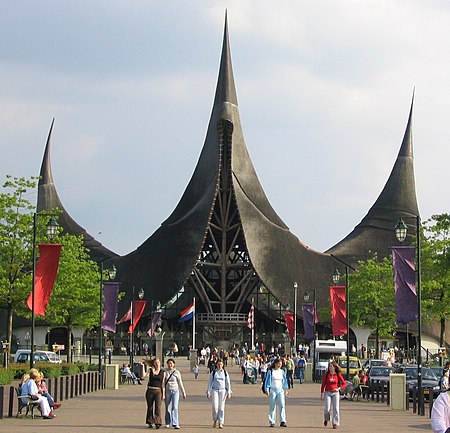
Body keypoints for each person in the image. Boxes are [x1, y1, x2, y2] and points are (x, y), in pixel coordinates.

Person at [262, 357, 288, 428]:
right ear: (275, 364)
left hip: (280, 390)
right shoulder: (271, 371)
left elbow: (285, 381)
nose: (280, 365)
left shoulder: (282, 371)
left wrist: (286, 390)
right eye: (278, 364)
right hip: (273, 389)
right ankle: (272, 421)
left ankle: (283, 421)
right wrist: (267, 389)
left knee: (282, 404)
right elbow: (267, 380)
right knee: (272, 406)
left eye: (281, 364)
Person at [321, 361, 347, 429]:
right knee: (327, 408)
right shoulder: (326, 375)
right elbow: (323, 384)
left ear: (335, 367)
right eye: (329, 366)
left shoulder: (338, 374)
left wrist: (338, 388)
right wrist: (322, 393)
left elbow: (344, 384)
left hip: (335, 393)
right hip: (327, 392)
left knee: (336, 409)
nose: (330, 368)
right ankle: (327, 419)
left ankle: (335, 423)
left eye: (331, 366)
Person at [206, 359, 232, 429]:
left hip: (222, 391)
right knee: (215, 406)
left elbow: (228, 383)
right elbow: (210, 382)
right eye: (218, 364)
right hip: (215, 390)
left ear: (223, 365)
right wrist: (208, 391)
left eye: (221, 364)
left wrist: (229, 392)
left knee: (221, 407)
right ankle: (215, 420)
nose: (219, 366)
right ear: (216, 365)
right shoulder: (213, 373)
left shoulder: (225, 373)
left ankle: (220, 422)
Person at [164, 358, 186, 429]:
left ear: (174, 364)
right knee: (167, 407)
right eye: (169, 363)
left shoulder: (177, 372)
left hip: (175, 391)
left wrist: (183, 392)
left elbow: (180, 382)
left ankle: (175, 423)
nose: (170, 365)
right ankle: (167, 422)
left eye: (171, 363)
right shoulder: (165, 371)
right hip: (167, 391)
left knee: (175, 407)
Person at [145, 358, 166, 429]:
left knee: (158, 407)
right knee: (150, 407)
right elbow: (143, 376)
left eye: (158, 362)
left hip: (158, 391)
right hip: (150, 390)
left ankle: (158, 422)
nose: (157, 364)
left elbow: (163, 384)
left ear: (160, 363)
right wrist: (142, 367)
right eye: (155, 363)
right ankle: (150, 421)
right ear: (153, 364)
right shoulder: (150, 370)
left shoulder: (163, 372)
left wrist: (163, 394)